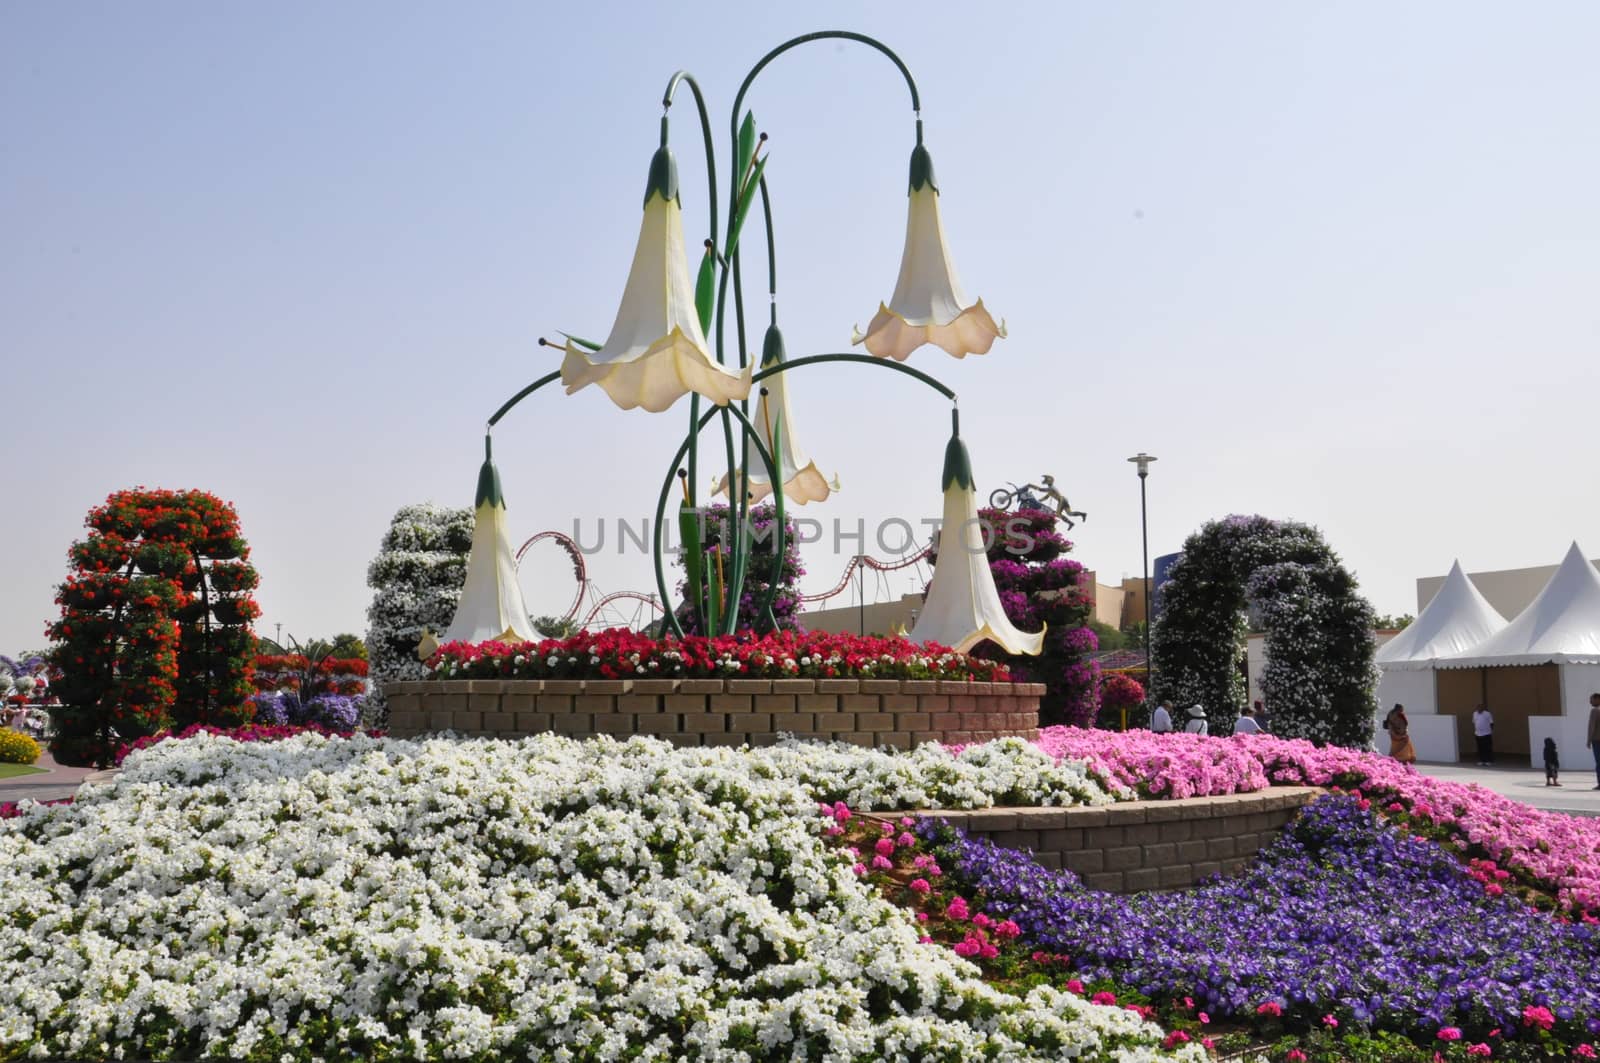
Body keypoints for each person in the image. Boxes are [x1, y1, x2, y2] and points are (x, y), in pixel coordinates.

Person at [1588, 692, 1600, 790]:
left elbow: (1592, 727)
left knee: (1599, 762)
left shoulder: (1595, 711)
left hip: (1597, 740)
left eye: (1591, 700)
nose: (1590, 702)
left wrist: (1588, 740)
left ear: (1597, 699)